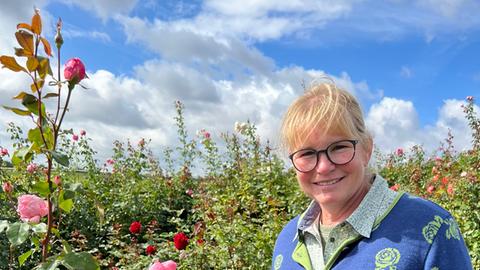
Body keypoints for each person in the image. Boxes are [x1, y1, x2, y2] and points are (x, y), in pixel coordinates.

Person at [271, 82, 472, 270]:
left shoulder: (430, 227)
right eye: (306, 153)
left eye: (339, 147)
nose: (323, 167)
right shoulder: (287, 240)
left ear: (366, 149)